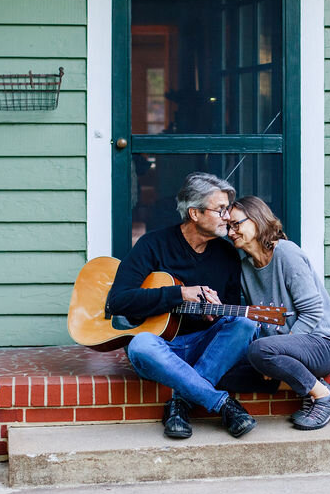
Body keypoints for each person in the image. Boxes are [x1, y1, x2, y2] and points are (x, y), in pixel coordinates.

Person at [106, 172, 259, 439]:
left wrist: (214, 315)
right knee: (140, 345)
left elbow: (230, 312)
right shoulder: (153, 245)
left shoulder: (227, 255)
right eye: (220, 209)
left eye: (227, 210)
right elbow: (118, 300)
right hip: (162, 348)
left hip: (204, 347)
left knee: (244, 323)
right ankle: (222, 403)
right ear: (195, 213)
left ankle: (179, 404)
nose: (227, 217)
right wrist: (179, 294)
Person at [227, 196, 330, 430]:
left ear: (257, 220)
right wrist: (268, 359)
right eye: (228, 227)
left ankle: (325, 397)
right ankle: (305, 383)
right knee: (227, 372)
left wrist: (274, 350)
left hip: (323, 343)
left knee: (260, 351)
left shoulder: (286, 253)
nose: (231, 232)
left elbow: (312, 312)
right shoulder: (245, 269)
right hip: (284, 349)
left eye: (236, 224)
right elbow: (261, 321)